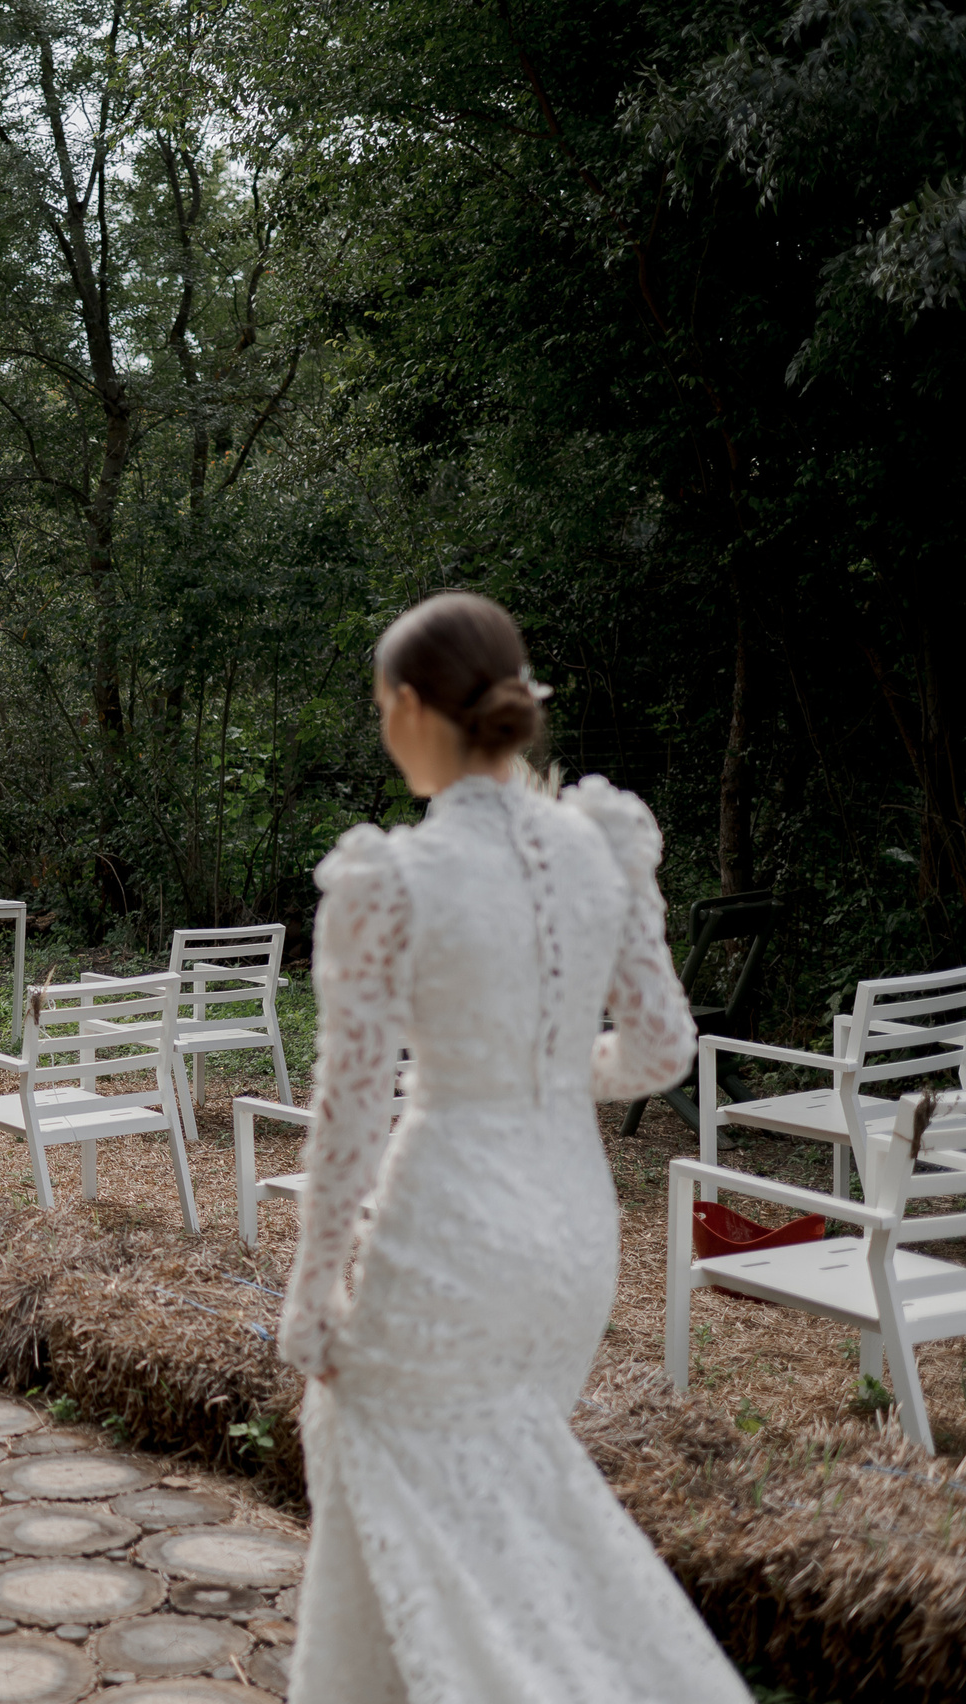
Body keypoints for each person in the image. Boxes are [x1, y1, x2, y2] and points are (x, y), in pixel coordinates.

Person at [280, 592, 748, 1703]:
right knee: (499, 1513)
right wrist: (542, 1080)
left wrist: (308, 1297)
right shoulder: (601, 846)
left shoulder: (389, 879)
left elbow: (350, 1109)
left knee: (407, 1496)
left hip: (451, 1235)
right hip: (572, 1244)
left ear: (405, 707)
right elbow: (659, 1047)